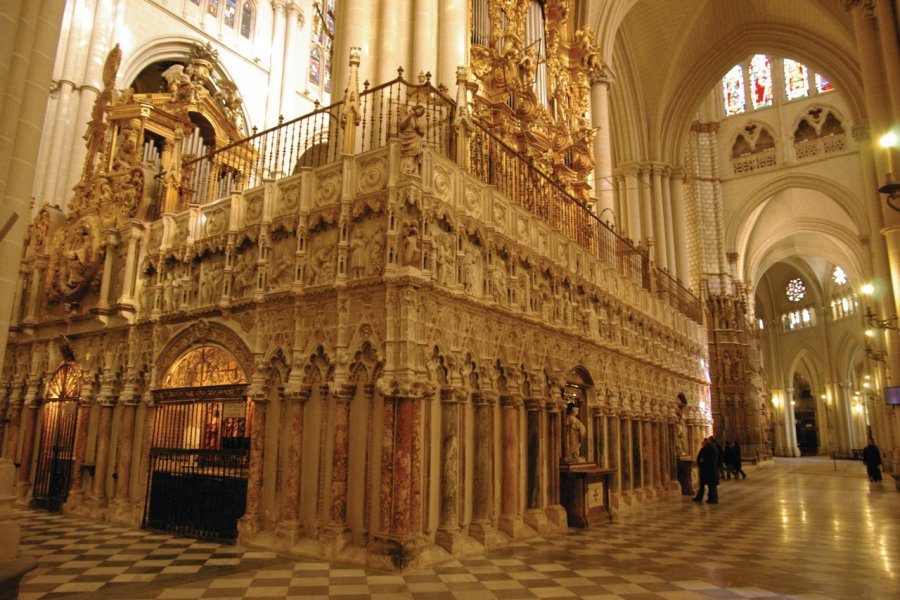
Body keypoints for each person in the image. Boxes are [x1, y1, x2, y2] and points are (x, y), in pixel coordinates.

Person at [693, 436, 719, 504]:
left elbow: (705, 458)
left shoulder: (710, 448)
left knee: (711, 486)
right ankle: (711, 499)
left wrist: (702, 463)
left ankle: (713, 499)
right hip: (710, 469)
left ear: (710, 440)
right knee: (711, 485)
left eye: (707, 440)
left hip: (709, 469)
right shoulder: (712, 447)